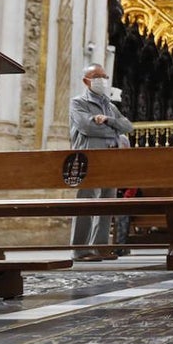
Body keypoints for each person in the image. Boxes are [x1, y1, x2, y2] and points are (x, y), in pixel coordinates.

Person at [69, 64, 134, 262]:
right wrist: (114, 129)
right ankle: (80, 249)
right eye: (96, 76)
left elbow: (128, 126)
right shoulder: (78, 103)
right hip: (88, 157)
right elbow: (87, 128)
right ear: (86, 81)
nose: (102, 79)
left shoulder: (109, 106)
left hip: (110, 157)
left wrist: (106, 120)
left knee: (107, 201)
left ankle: (101, 246)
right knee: (86, 201)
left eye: (104, 76)